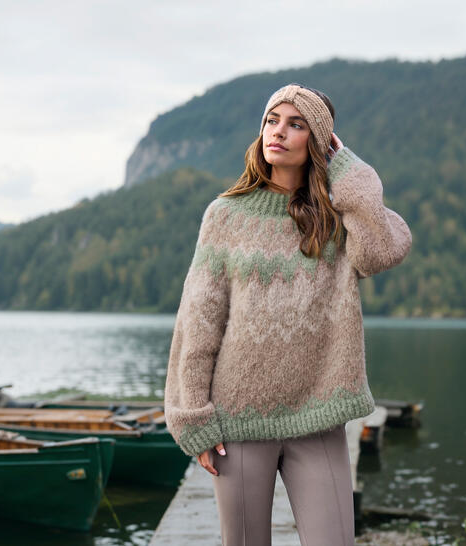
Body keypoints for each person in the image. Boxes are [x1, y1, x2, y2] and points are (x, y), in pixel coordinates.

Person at [163, 83, 412, 546]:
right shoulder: (225, 215)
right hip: (237, 420)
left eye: (296, 124)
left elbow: (382, 249)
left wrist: (347, 168)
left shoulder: (336, 218)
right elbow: (198, 319)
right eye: (271, 121)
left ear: (318, 142)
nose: (278, 132)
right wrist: (191, 414)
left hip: (319, 414)